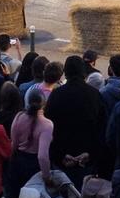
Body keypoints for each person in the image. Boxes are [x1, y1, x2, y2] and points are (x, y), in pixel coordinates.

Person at [45, 55, 108, 188]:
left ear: (65, 73)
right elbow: (102, 128)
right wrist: (91, 154)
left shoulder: (56, 95)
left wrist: (60, 154)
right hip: (86, 159)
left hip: (62, 159)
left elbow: (48, 129)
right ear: (83, 72)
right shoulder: (95, 95)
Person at [7, 89, 53, 198]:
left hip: (17, 162)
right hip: (33, 167)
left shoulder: (19, 117)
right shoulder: (47, 125)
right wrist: (47, 176)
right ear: (43, 105)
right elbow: (43, 156)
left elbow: (13, 144)